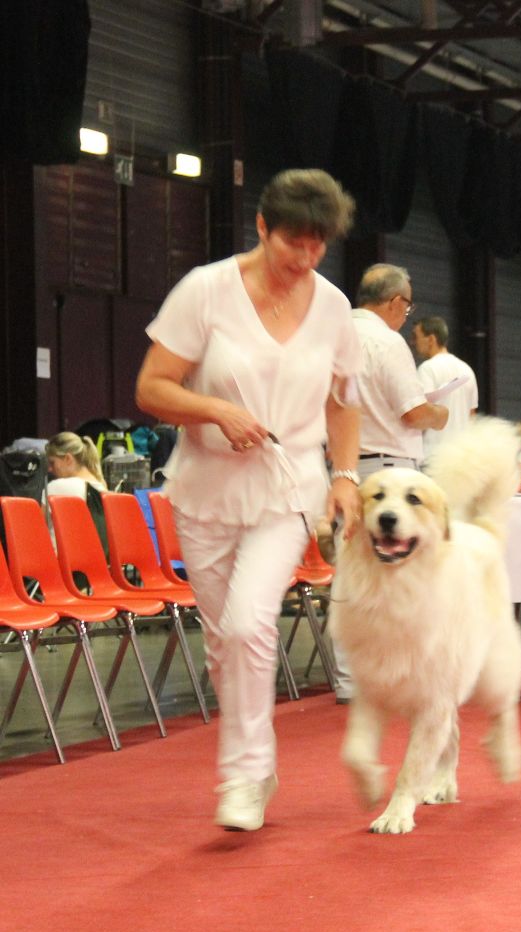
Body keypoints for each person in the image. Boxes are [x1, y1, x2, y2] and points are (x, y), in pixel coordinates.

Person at [135, 168, 362, 831]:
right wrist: (212, 409)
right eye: (294, 241)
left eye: (319, 245)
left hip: (288, 488)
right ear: (261, 228)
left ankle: (241, 775)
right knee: (222, 644)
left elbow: (342, 401)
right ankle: (255, 766)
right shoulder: (204, 291)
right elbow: (151, 387)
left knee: (247, 625)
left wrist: (344, 477)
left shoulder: (333, 307)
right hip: (204, 488)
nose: (306, 258)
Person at [331, 263, 448, 703]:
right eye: (407, 306)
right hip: (390, 470)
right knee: (403, 573)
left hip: (346, 469)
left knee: (351, 575)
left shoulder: (336, 335)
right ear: (396, 303)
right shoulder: (387, 340)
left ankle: (349, 680)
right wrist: (441, 412)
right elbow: (413, 412)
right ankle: (399, 673)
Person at [411, 315, 477, 464]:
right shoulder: (467, 370)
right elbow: (471, 417)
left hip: (433, 457)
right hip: (461, 459)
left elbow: (421, 413)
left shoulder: (427, 369)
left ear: (431, 340)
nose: (413, 342)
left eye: (416, 337)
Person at [45, 432, 108, 499]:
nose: (50, 469)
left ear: (68, 459)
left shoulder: (55, 487)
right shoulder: (102, 488)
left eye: (52, 463)